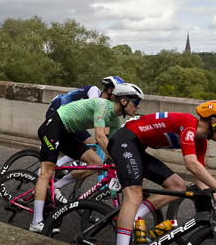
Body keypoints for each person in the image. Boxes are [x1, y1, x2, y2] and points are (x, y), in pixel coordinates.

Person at [110, 100, 216, 245]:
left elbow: (201, 182)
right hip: (125, 139)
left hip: (137, 147)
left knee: (178, 186)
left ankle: (135, 216)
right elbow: (190, 163)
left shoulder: (200, 142)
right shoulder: (188, 122)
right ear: (215, 122)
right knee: (134, 195)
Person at [29, 82, 143, 232]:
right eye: (136, 102)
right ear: (123, 101)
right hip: (54, 125)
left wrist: (127, 160)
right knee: (47, 171)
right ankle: (36, 222)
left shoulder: (115, 119)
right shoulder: (103, 105)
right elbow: (101, 137)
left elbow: (114, 147)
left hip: (67, 132)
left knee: (96, 162)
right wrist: (120, 160)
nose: (138, 106)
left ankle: (56, 187)